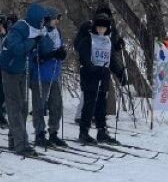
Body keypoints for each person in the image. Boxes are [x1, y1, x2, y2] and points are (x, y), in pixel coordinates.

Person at [0, 2, 48, 156]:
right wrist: (33, 41)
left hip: (23, 70)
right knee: (14, 107)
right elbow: (16, 48)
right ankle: (21, 144)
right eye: (41, 20)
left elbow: (46, 47)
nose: (42, 23)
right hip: (10, 70)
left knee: (24, 107)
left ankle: (14, 139)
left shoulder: (37, 29)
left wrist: (42, 39)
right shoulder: (20, 27)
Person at [75, 10, 126, 144]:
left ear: (107, 28)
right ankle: (83, 132)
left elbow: (111, 59)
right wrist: (92, 68)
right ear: (95, 26)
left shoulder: (107, 41)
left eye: (103, 27)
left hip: (103, 75)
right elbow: (84, 57)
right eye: (99, 26)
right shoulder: (89, 39)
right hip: (90, 75)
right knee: (89, 104)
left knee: (101, 105)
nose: (101, 29)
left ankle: (101, 131)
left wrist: (120, 72)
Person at [29, 10, 67, 147]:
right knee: (39, 106)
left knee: (56, 105)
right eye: (54, 19)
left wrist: (62, 54)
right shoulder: (39, 33)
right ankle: (39, 133)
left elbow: (60, 50)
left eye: (58, 19)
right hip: (41, 75)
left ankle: (53, 133)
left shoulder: (58, 33)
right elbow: (34, 56)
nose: (56, 22)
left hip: (54, 74)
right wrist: (50, 55)